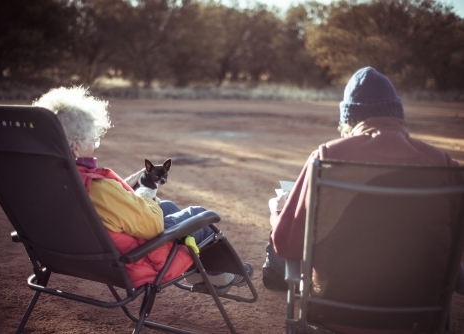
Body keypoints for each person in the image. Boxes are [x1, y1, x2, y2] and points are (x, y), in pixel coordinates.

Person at [262, 67, 464, 294]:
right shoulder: (442, 163)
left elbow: (286, 244)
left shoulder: (327, 157)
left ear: (349, 119)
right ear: (397, 115)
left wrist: (278, 213)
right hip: (423, 312)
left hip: (338, 311)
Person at [32, 86, 253, 292]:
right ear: (76, 146)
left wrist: (127, 189)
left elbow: (113, 208)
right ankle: (226, 276)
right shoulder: (97, 189)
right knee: (199, 215)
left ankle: (204, 275)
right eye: (94, 139)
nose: (96, 144)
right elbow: (152, 225)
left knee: (169, 206)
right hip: (133, 261)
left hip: (69, 254)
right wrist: (147, 196)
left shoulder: (44, 180)